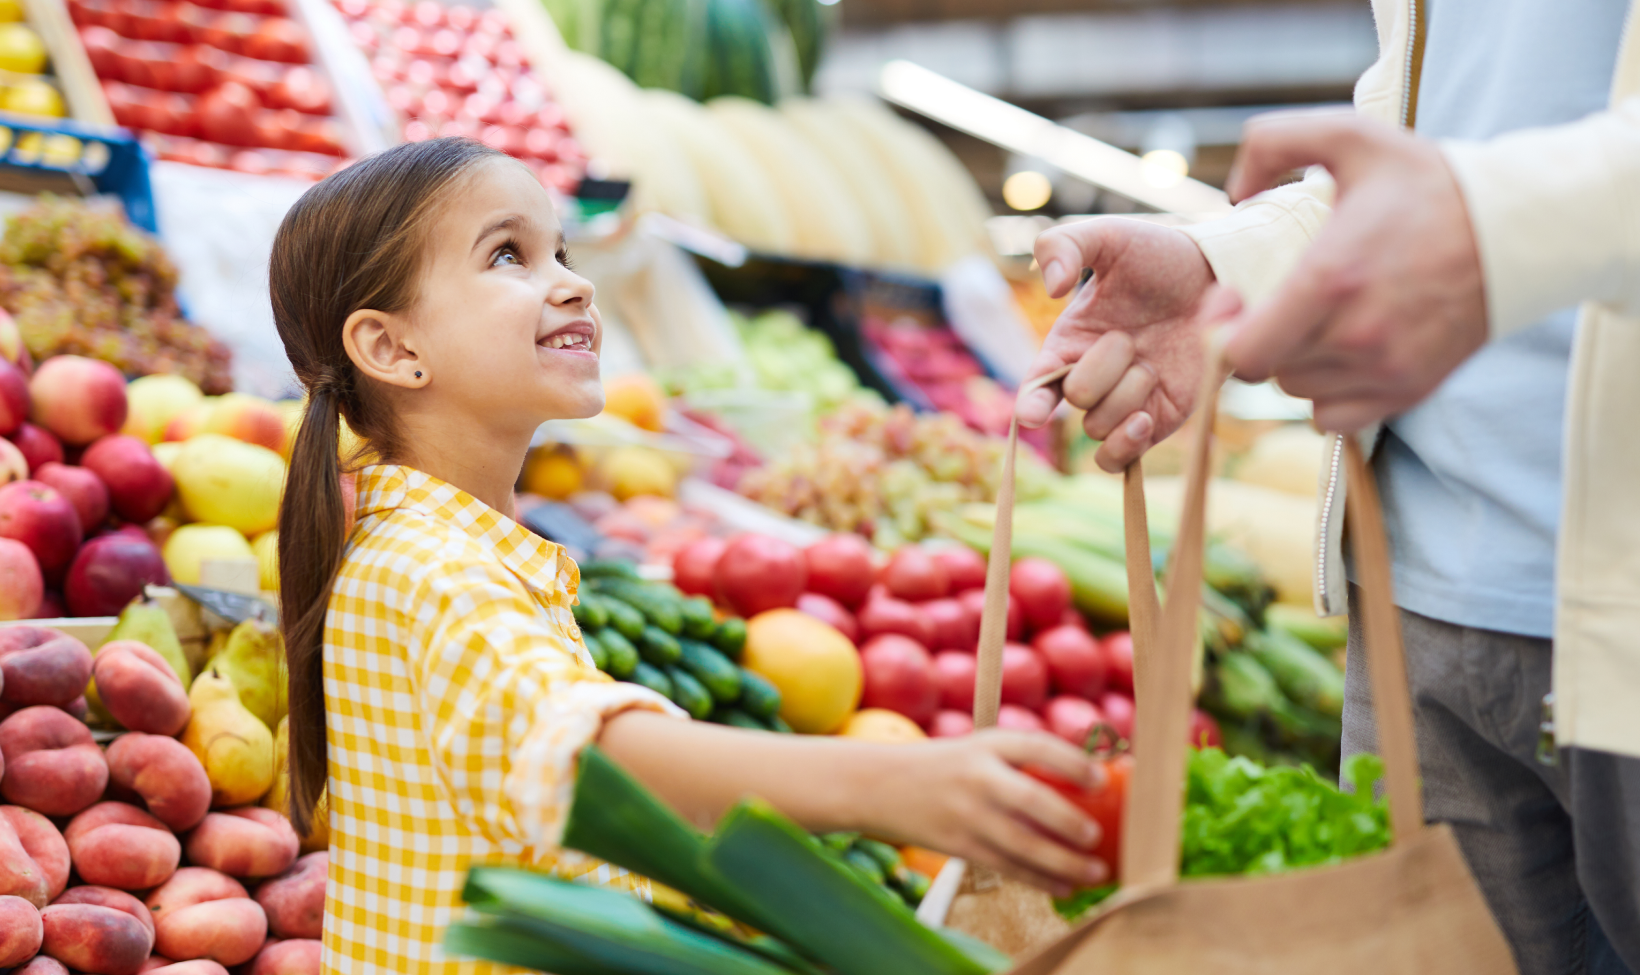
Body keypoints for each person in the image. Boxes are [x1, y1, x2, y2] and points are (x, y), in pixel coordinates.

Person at [1019, 0, 1640, 974]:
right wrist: (1232, 263)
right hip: (1416, 613)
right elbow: (1451, 130)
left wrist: (1505, 223)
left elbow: (1501, 195)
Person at [268, 137, 1108, 975]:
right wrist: (902, 786)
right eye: (507, 255)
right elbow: (590, 757)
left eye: (558, 250)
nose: (574, 280)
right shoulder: (432, 568)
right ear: (391, 348)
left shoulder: (442, 546)